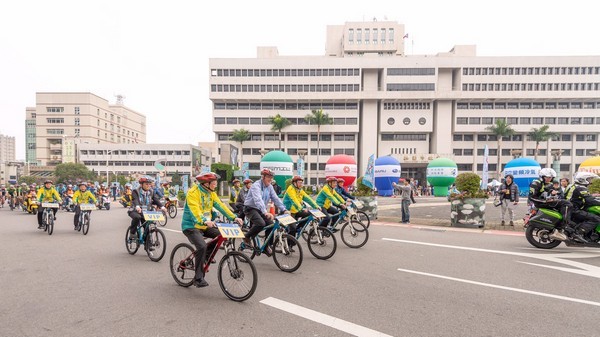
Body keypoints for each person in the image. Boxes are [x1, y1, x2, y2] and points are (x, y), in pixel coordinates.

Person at [181, 172, 242, 288]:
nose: (216, 185)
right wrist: (204, 220)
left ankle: (205, 257)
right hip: (191, 226)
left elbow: (221, 205)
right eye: (214, 183)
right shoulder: (193, 193)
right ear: (206, 183)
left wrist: (234, 217)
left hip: (205, 225)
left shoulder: (211, 193)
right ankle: (198, 278)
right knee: (202, 246)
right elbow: (196, 211)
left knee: (221, 235)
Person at [243, 168, 288, 251]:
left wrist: (284, 209)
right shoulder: (256, 186)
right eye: (268, 177)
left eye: (271, 177)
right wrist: (265, 212)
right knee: (261, 223)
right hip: (250, 208)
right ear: (263, 177)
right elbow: (258, 200)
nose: (270, 179)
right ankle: (247, 236)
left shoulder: (270, 186)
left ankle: (266, 246)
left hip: (260, 209)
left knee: (270, 224)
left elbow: (275, 198)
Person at [528, 168, 574, 241]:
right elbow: (531, 197)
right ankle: (564, 226)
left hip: (545, 202)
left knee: (563, 203)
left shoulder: (547, 184)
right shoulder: (536, 183)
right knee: (567, 204)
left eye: (551, 177)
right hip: (541, 204)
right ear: (542, 177)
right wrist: (545, 201)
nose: (549, 179)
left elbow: (546, 192)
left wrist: (552, 193)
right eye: (547, 177)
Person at [564, 172, 600, 243]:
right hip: (574, 210)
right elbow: (589, 200)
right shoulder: (581, 188)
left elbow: (586, 197)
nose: (590, 181)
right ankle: (578, 233)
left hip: (569, 208)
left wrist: (596, 197)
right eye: (589, 179)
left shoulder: (574, 186)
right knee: (596, 218)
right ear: (582, 179)